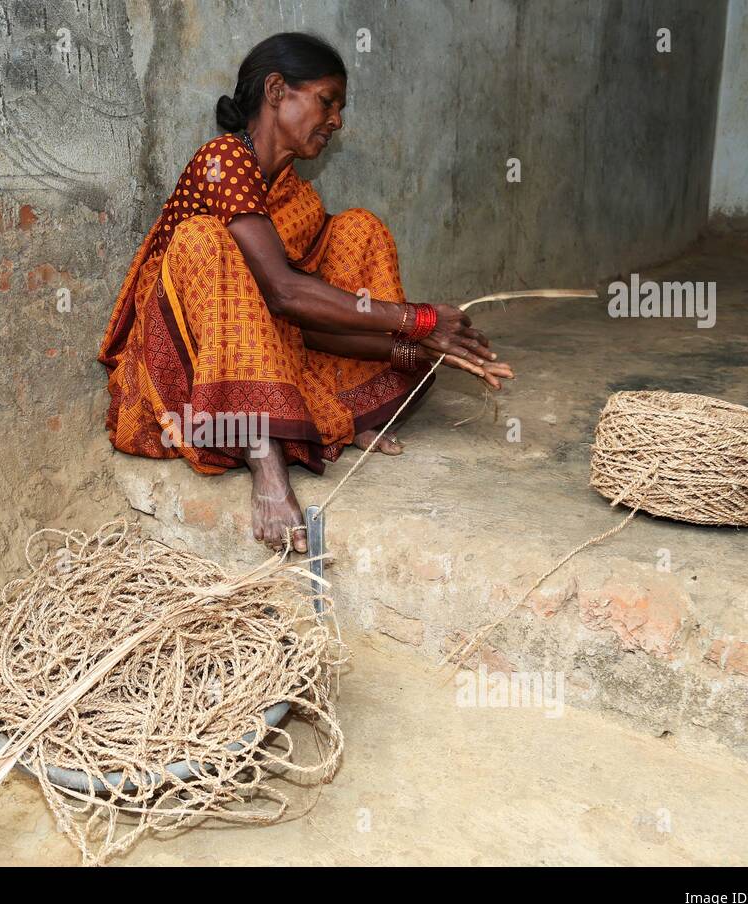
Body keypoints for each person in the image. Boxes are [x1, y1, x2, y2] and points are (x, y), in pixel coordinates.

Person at [98, 32, 512, 553]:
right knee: (205, 241)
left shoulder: (296, 194)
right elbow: (286, 295)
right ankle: (264, 461)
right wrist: (419, 320)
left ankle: (354, 409)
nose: (337, 120)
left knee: (359, 228)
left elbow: (308, 323)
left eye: (339, 107)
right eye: (326, 101)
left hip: (268, 351)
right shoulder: (221, 161)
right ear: (276, 91)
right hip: (184, 369)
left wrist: (411, 348)